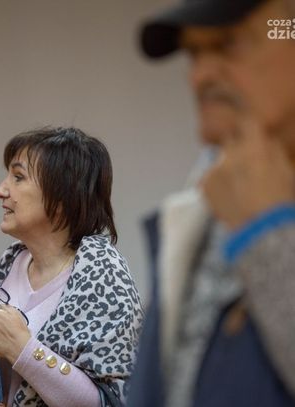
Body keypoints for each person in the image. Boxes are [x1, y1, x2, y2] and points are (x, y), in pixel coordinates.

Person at [128, 0, 295, 406]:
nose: (199, 75)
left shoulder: (259, 219)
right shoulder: (196, 214)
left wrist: (270, 234)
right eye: (194, 52)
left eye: (230, 43)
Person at [0, 127, 143, 407]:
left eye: (18, 177)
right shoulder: (13, 261)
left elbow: (112, 400)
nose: (0, 191)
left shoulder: (103, 275)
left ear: (61, 198)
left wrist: (23, 349)